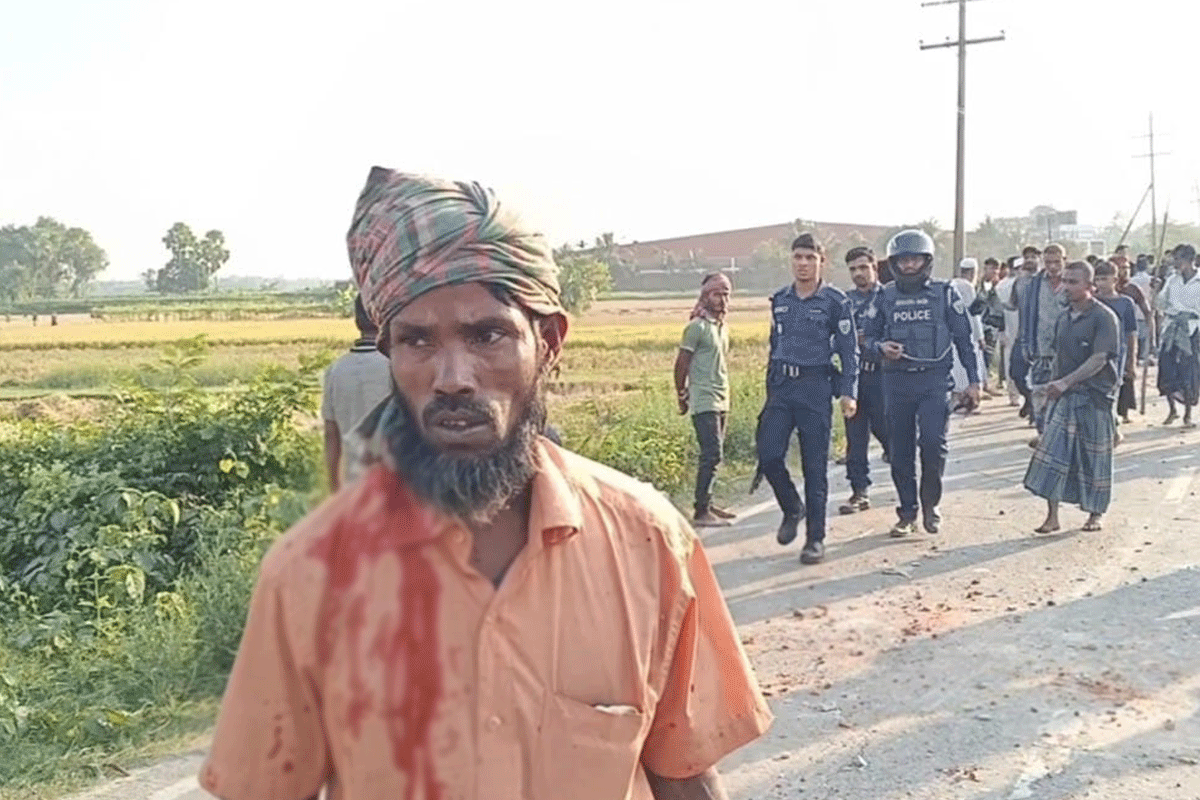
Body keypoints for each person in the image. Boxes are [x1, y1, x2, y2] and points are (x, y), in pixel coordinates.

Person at [200, 168, 772, 800]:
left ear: (549, 343)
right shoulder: (312, 572)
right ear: (389, 352)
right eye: (417, 340)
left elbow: (683, 774)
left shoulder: (647, 539)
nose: (452, 377)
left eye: (487, 334)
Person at [862, 229, 980, 538]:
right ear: (895, 263)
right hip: (896, 381)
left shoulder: (944, 294)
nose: (909, 266)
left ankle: (931, 504)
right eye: (903, 261)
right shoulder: (884, 296)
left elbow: (965, 341)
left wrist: (974, 382)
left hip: (934, 381)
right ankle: (907, 513)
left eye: (915, 260)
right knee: (900, 450)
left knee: (932, 443)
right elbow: (866, 338)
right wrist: (881, 348)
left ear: (926, 261)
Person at [755, 232, 858, 564]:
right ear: (791, 260)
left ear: (821, 261)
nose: (803, 264)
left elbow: (848, 350)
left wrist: (848, 392)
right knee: (769, 454)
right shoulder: (781, 299)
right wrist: (771, 387)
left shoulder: (835, 301)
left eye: (810, 258)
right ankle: (791, 506)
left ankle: (816, 538)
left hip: (815, 387)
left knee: (815, 467)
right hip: (783, 387)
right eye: (798, 257)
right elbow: (775, 345)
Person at [1024, 261, 1120, 533]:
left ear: (1090, 286)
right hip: (1065, 397)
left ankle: (1095, 514)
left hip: (1095, 397)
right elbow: (1058, 358)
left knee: (1094, 459)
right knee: (1053, 456)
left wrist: (1066, 382)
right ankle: (1052, 517)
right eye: (1065, 281)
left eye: (1073, 282)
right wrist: (1049, 395)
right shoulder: (1064, 318)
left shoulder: (1104, 317)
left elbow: (1100, 359)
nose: (1066, 286)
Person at [675, 272, 737, 527]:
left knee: (716, 455)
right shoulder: (696, 328)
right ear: (705, 296)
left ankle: (709, 503)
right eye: (716, 294)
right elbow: (681, 365)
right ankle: (701, 510)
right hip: (704, 398)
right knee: (711, 453)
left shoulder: (721, 328)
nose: (721, 299)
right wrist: (681, 393)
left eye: (725, 294)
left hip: (722, 397)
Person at [321, 295, 392, 491]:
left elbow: (330, 434)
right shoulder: (395, 367)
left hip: (354, 483)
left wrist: (334, 485)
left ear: (357, 321)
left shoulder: (335, 370)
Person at [839, 246, 889, 514]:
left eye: (863, 267)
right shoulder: (844, 302)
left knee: (887, 432)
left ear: (874, 267)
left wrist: (866, 343)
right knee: (855, 437)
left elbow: (895, 336)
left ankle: (905, 477)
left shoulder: (889, 298)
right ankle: (859, 491)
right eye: (853, 269)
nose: (858, 273)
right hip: (855, 377)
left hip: (883, 377)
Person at [1012, 243, 1069, 442]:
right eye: (1049, 262)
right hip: (1041, 350)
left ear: (1064, 260)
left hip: (1068, 352)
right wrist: (1026, 344)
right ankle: (1043, 434)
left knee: (1065, 397)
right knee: (1039, 394)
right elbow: (1026, 315)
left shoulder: (1072, 284)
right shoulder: (1035, 284)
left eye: (1057, 262)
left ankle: (1060, 437)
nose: (1053, 266)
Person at [1155, 244, 1200, 427]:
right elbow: (1161, 304)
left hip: (1192, 329)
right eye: (1174, 259)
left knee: (1189, 371)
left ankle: (1188, 414)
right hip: (1171, 328)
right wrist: (1157, 291)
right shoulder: (1172, 280)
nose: (1175, 263)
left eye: (1178, 259)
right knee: (1166, 368)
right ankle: (1172, 410)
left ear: (1190, 260)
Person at [1094, 260, 1138, 427]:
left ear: (1115, 279)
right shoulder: (1091, 302)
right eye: (1097, 279)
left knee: (1113, 391)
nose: (1100, 283)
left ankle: (1111, 427)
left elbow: (1131, 333)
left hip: (1117, 354)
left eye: (1104, 278)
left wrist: (1131, 363)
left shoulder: (1125, 303)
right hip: (1093, 353)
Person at [950, 258, 988, 408]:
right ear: (973, 272)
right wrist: (980, 336)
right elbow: (974, 314)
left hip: (954, 332)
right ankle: (969, 399)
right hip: (969, 332)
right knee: (970, 368)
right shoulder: (968, 287)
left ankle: (959, 397)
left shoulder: (952, 284)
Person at [994, 256, 1022, 407]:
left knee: (1009, 360)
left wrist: (1000, 332)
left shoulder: (1000, 285)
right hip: (1013, 328)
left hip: (1008, 330)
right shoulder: (1007, 285)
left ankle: (1014, 396)